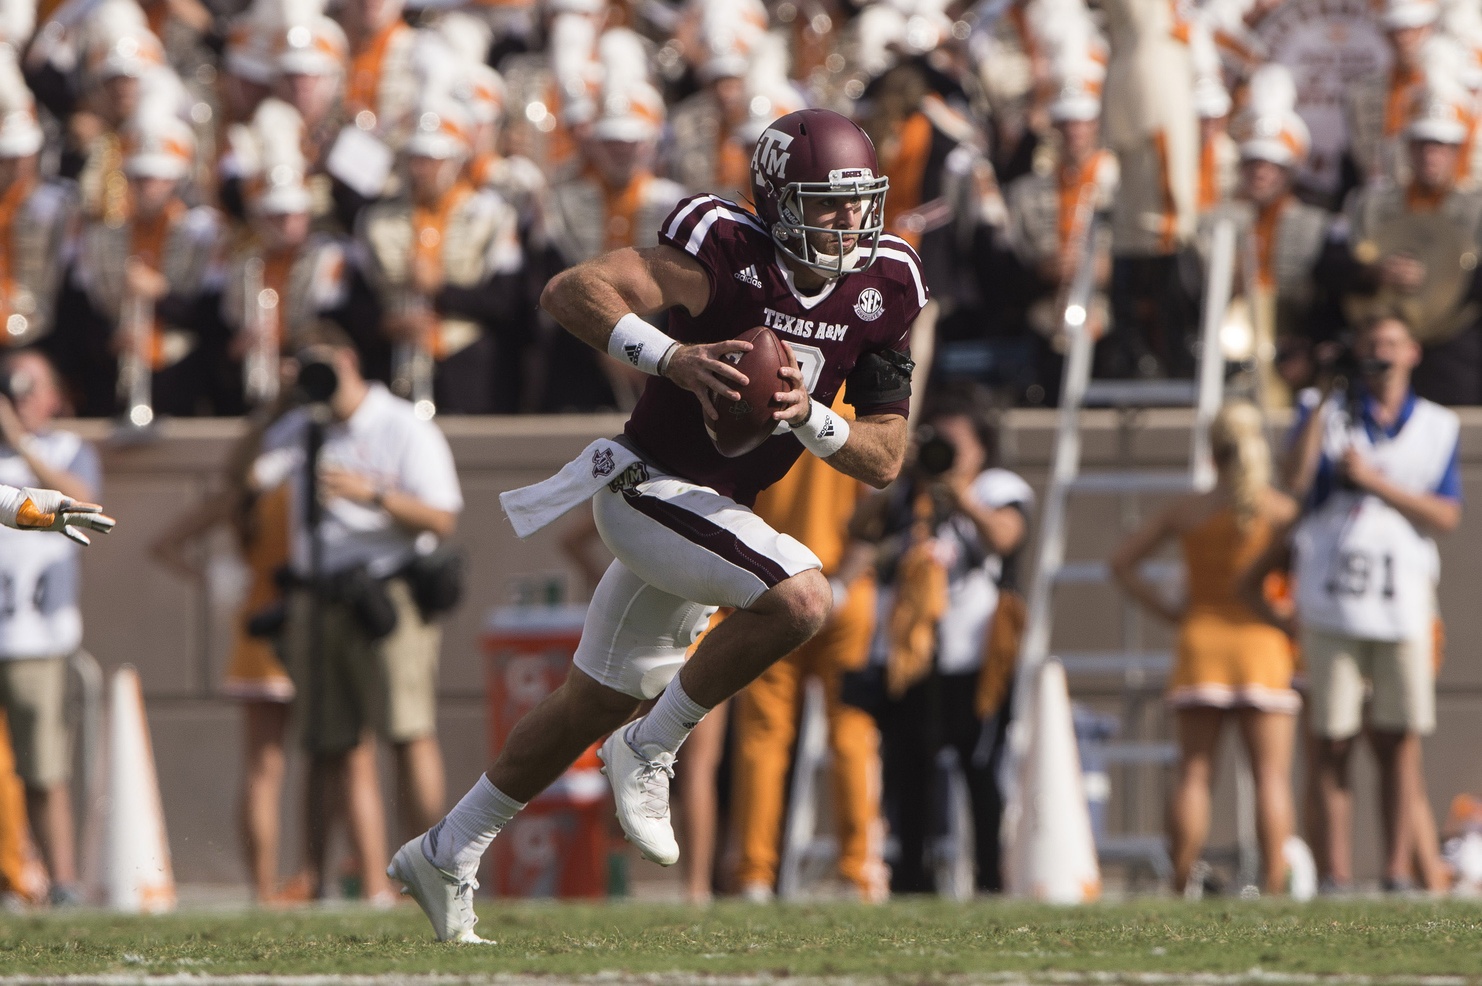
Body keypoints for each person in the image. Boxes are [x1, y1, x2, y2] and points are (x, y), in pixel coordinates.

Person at [389, 107, 925, 942]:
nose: (850, 221)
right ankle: (654, 743)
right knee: (802, 598)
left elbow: (886, 454)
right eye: (827, 202)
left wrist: (811, 418)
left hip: (713, 509)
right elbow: (571, 292)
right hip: (647, 485)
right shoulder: (725, 252)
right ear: (780, 200)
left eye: (859, 201)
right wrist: (672, 356)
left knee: (587, 704)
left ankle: (446, 849)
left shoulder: (886, 283)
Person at [258, 323, 462, 901]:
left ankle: (435, 873)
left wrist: (368, 493)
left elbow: (441, 518)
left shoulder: (401, 425)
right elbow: (246, 479)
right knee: (325, 745)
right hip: (317, 596)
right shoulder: (301, 426)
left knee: (408, 732)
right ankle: (320, 882)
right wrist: (275, 406)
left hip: (385, 594)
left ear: (349, 359)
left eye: (322, 367)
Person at [1283, 313, 1461, 893]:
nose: (1379, 355)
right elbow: (1293, 482)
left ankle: (1395, 870)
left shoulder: (1434, 425)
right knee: (1332, 740)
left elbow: (1447, 514)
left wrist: (1376, 482)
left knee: (1397, 739)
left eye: (1389, 344)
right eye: (1370, 345)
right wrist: (1323, 397)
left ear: (1412, 351)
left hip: (1403, 603)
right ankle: (1335, 871)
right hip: (1333, 600)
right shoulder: (1328, 412)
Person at [1110, 402, 1300, 895]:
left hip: (1202, 643)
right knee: (1271, 777)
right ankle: (1276, 883)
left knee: (1193, 774)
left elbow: (1121, 562)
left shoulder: (1188, 509)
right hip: (1263, 645)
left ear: (1211, 451)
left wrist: (1171, 612)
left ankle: (1179, 881)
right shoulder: (1280, 511)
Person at [853, 392, 1031, 895]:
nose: (944, 453)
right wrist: (901, 480)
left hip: (974, 654)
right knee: (908, 773)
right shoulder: (910, 492)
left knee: (980, 771)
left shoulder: (998, 487)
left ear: (981, 446)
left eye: (955, 444)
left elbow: (1005, 537)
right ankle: (912, 880)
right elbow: (857, 530)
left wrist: (960, 495)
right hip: (910, 655)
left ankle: (990, 880)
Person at [730, 395, 887, 904]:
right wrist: (844, 580)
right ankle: (857, 871)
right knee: (852, 734)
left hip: (770, 589)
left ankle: (755, 874)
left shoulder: (755, 394)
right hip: (841, 590)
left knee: (764, 738)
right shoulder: (853, 401)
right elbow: (878, 506)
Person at [0, 351, 111, 905]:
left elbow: (79, 505)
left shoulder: (65, 449)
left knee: (42, 765)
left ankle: (62, 882)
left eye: (30, 385)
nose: (18, 396)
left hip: (33, 634)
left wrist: (20, 443)